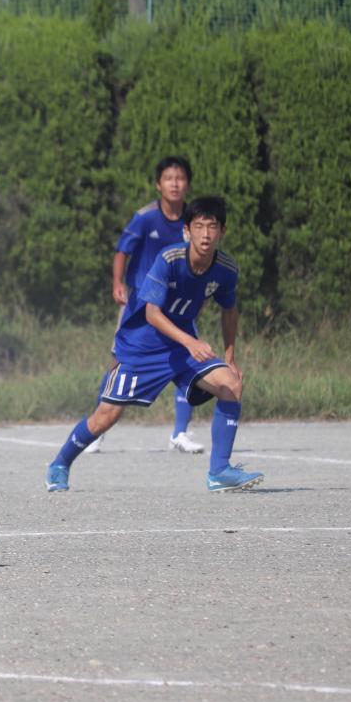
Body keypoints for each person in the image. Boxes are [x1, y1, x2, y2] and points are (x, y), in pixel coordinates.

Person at [45, 196, 263, 493]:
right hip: (143, 347)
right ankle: (60, 464)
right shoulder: (169, 259)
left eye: (212, 227)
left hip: (182, 349)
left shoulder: (226, 269)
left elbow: (229, 309)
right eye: (199, 226)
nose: (206, 234)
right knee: (106, 416)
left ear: (223, 231)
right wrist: (190, 341)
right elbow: (152, 314)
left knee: (231, 384)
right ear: (187, 231)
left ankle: (220, 471)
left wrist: (230, 356)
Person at [89, 156, 204, 455]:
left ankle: (180, 433)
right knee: (119, 363)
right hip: (140, 304)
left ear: (188, 184)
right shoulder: (145, 218)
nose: (175, 184)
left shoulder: (194, 221)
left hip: (177, 305)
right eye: (169, 178)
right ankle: (96, 430)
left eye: (180, 178)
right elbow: (122, 251)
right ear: (158, 184)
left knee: (188, 359)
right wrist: (118, 282)